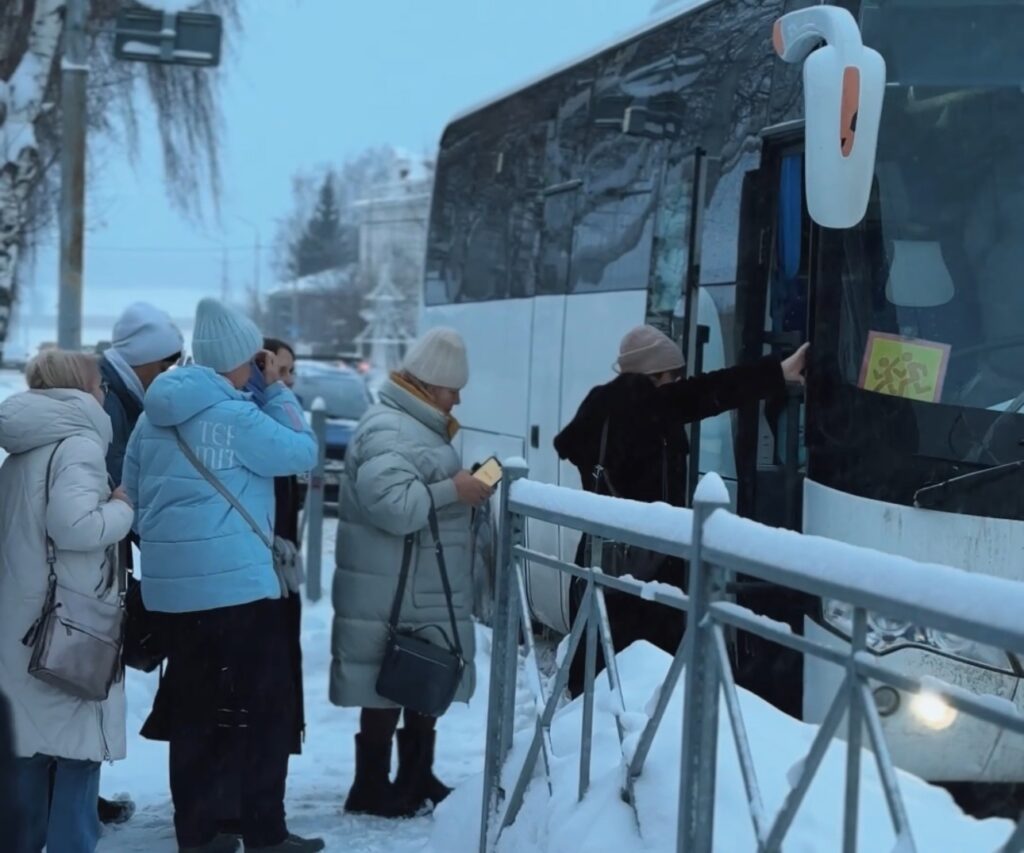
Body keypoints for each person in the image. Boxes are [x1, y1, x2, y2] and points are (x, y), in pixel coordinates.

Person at [123, 299, 322, 853]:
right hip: (238, 591)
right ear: (245, 356)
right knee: (266, 710)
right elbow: (301, 453)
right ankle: (264, 833)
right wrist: (278, 390)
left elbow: (132, 495)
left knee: (192, 714)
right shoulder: (238, 418)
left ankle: (200, 835)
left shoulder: (151, 416)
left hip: (174, 596)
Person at [554, 325, 808, 696]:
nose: (680, 383)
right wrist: (776, 373)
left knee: (603, 667)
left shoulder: (600, 407)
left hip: (603, 557)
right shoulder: (646, 404)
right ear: (656, 376)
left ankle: (590, 729)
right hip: (646, 566)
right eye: (674, 376)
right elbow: (708, 391)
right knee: (645, 674)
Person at [330, 327, 492, 818]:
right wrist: (454, 491)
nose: (458, 399)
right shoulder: (391, 430)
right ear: (429, 385)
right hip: (396, 584)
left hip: (411, 581)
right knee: (393, 678)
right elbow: (395, 509)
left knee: (418, 675)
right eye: (452, 389)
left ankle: (413, 776)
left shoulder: (408, 425)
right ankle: (374, 786)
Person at [0, 351, 135, 853]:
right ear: (82, 387)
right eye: (100, 383)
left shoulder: (22, 450)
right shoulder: (78, 446)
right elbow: (75, 527)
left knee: (30, 754)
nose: (104, 393)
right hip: (67, 627)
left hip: (22, 622)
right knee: (77, 756)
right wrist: (121, 507)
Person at [213, 338, 306, 838]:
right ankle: (242, 815)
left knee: (272, 702)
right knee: (252, 703)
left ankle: (256, 813)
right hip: (254, 583)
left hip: (277, 579)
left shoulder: (273, 422)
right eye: (278, 370)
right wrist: (275, 394)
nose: (286, 380)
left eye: (291, 372)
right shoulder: (254, 426)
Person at [97, 302, 183, 825]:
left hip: (103, 555)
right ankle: (72, 794)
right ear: (145, 360)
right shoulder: (114, 402)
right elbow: (118, 487)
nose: (170, 374)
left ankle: (79, 788)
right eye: (167, 364)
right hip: (93, 560)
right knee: (83, 676)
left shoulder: (123, 394)